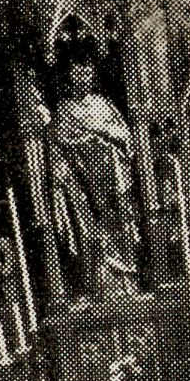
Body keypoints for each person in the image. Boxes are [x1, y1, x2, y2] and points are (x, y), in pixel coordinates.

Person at [39, 52, 141, 298]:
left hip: (112, 179)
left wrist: (104, 133)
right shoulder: (65, 109)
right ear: (69, 76)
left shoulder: (103, 104)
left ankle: (127, 281)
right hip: (82, 183)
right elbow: (56, 145)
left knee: (119, 224)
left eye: (86, 71)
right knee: (87, 230)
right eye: (76, 72)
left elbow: (126, 137)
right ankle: (98, 285)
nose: (82, 76)